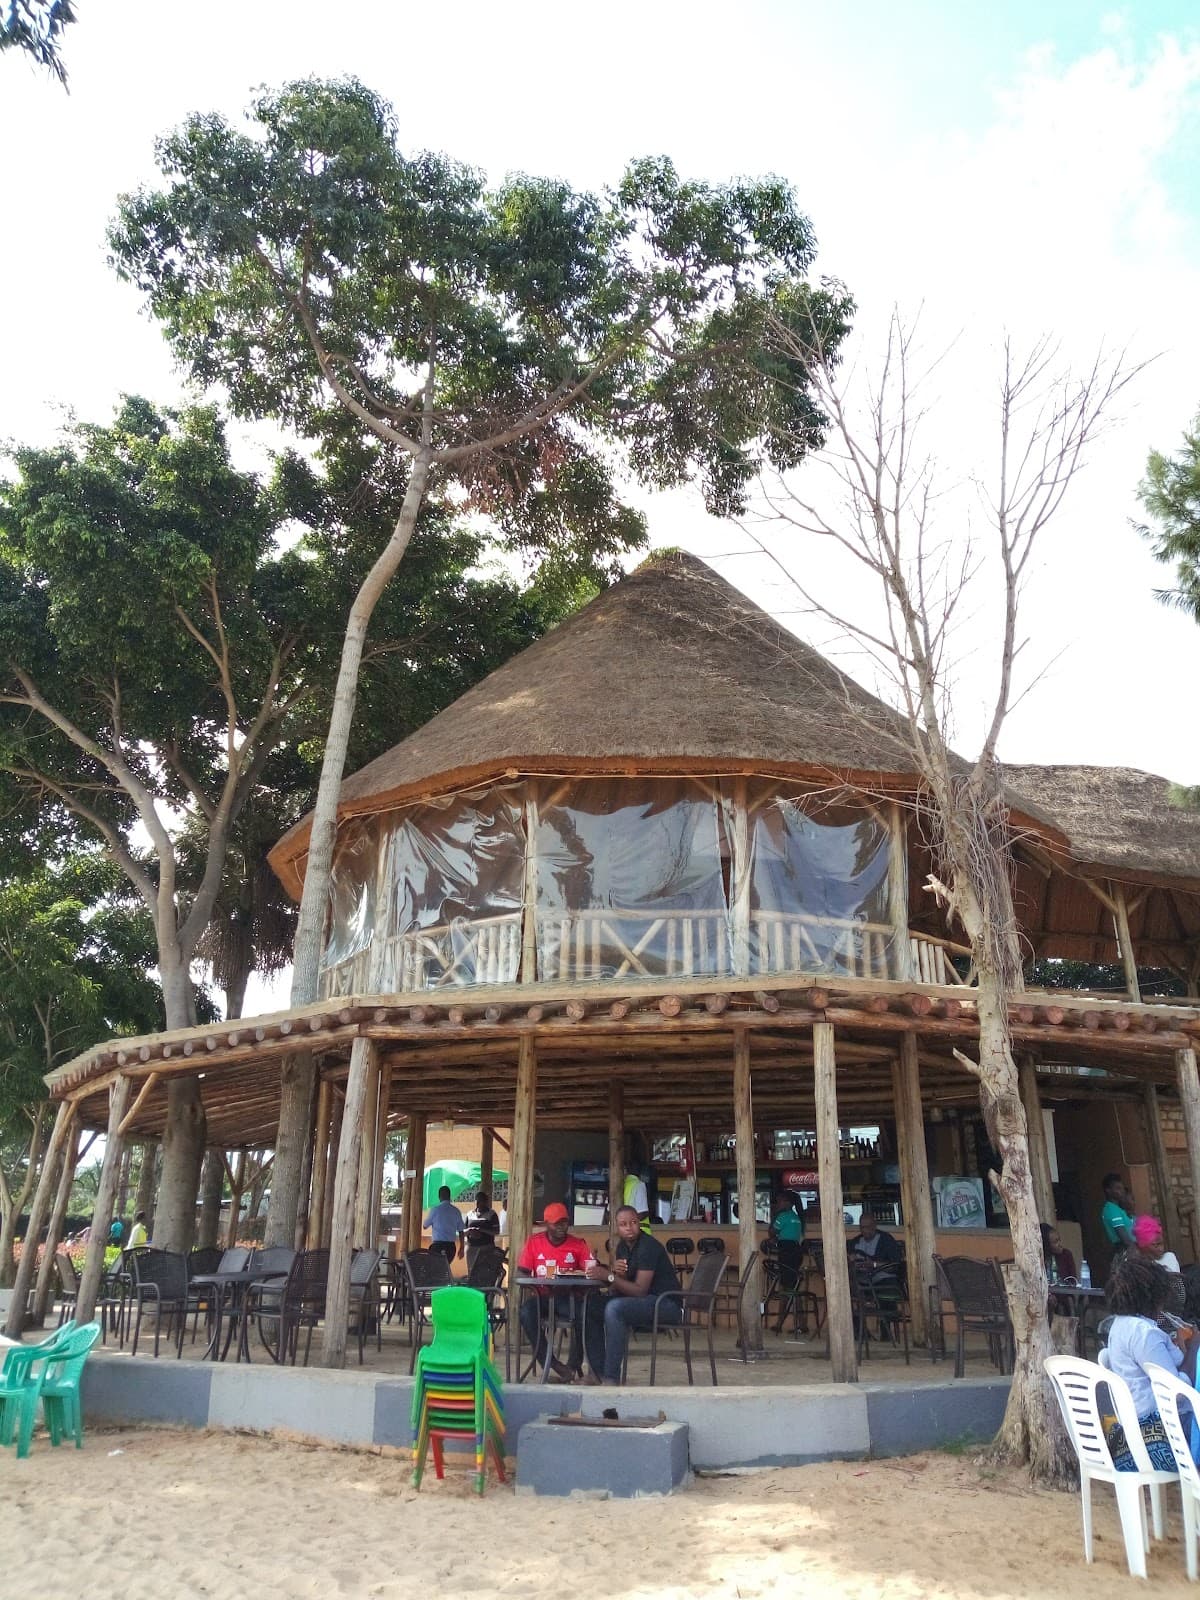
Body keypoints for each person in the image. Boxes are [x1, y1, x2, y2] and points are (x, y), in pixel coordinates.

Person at [1101, 1254, 1196, 1472]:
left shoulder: (1122, 1325)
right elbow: (1177, 1391)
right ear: (1152, 1295)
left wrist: (1175, 1346)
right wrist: (1192, 1348)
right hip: (1160, 1436)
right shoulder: (1144, 1333)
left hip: (1136, 1429)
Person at [585, 1204, 682, 1385]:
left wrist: (610, 1276)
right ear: (617, 1227)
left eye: (633, 1222)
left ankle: (611, 1377)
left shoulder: (648, 1246)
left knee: (615, 1308)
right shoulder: (623, 1247)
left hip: (667, 1304)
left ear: (639, 1223)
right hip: (644, 1302)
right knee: (592, 1305)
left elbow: (640, 1290)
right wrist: (617, 1275)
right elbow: (619, 1289)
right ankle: (595, 1373)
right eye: (623, 1224)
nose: (629, 1227)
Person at [517, 1202, 594, 1382]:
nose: (561, 1227)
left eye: (565, 1222)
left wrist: (582, 1273)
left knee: (585, 1315)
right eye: (556, 1223)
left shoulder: (578, 1244)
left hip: (569, 1297)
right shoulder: (534, 1243)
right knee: (526, 1313)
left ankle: (573, 1365)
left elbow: (591, 1269)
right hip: (542, 1296)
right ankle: (551, 1363)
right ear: (546, 1224)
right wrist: (531, 1281)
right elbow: (521, 1272)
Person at [423, 1185, 464, 1267]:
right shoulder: (456, 1211)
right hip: (451, 1248)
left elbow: (425, 1226)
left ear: (439, 1196)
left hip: (438, 1246)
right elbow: (461, 1231)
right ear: (449, 1196)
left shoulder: (435, 1210)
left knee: (435, 1270)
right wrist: (462, 1247)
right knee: (445, 1268)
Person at [463, 1190, 501, 1271]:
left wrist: (481, 1230)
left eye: (481, 1201)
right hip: (472, 1249)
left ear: (485, 1202)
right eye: (477, 1200)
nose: (478, 1203)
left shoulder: (492, 1214)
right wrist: (470, 1231)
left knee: (485, 1273)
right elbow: (462, 1232)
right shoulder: (470, 1214)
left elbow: (496, 1231)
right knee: (472, 1272)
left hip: (486, 1249)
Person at [1101, 1172, 1135, 1257]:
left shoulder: (1117, 1209)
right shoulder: (1111, 1209)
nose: (1122, 1191)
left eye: (1122, 1188)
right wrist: (1138, 1254)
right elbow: (1124, 1238)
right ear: (1108, 1190)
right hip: (1123, 1251)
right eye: (1118, 1188)